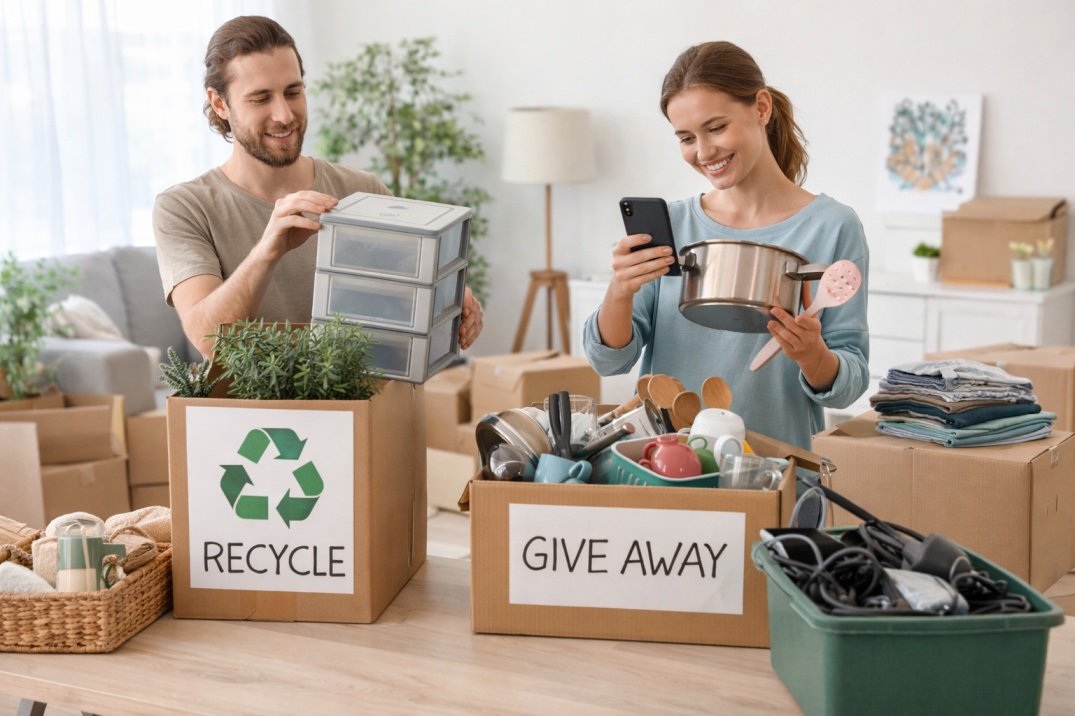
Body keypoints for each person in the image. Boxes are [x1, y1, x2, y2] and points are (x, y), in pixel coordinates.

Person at [583, 41, 868, 450]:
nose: (704, 152)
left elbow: (848, 385)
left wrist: (812, 355)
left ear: (762, 108)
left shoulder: (831, 226)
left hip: (776, 470)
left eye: (716, 128)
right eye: (686, 138)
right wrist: (620, 289)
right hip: (668, 468)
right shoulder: (672, 226)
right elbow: (608, 361)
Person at [154, 16, 483, 358]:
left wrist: (451, 299)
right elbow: (209, 341)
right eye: (261, 98)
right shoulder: (185, 208)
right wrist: (270, 249)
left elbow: (410, 296)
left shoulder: (362, 189)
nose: (283, 114)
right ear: (220, 103)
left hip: (371, 405)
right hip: (256, 410)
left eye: (293, 92)